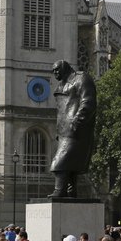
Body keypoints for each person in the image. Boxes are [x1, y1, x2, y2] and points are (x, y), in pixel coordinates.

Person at [48, 60, 97, 198]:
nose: (55, 73)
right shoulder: (61, 85)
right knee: (71, 163)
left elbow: (88, 101)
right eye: (53, 71)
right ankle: (70, 191)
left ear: (65, 67)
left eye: (57, 70)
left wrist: (77, 121)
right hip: (63, 129)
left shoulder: (81, 78)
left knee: (60, 161)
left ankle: (60, 190)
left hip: (76, 128)